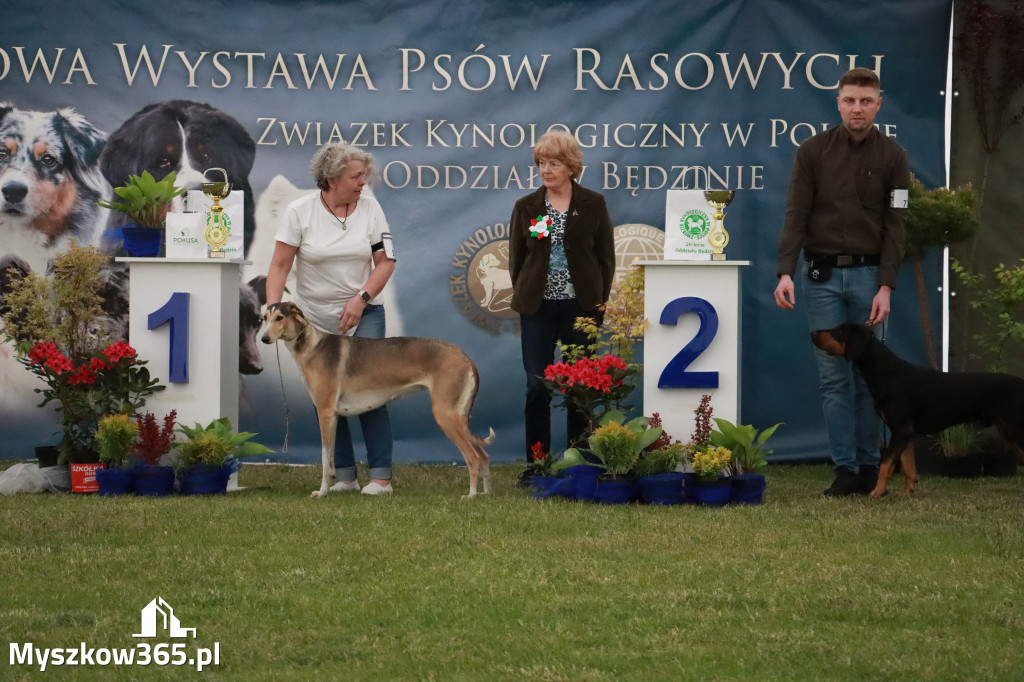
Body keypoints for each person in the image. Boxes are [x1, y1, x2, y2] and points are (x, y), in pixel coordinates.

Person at [774, 67, 909, 497]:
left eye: (866, 101)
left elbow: (897, 222)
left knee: (872, 379)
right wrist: (784, 272)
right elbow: (796, 213)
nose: (857, 108)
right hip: (822, 277)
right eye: (850, 100)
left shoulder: (894, 156)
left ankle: (871, 467)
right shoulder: (812, 151)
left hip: (872, 278)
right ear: (838, 102)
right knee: (833, 378)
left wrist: (887, 285)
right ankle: (845, 469)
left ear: (878, 104)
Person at [266, 142, 397, 495]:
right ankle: (344, 476)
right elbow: (279, 265)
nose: (363, 182)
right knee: (324, 397)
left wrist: (361, 298)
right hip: (316, 321)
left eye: (364, 175)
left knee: (371, 388)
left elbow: (385, 262)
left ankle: (381, 477)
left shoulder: (370, 208)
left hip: (364, 312)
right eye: (356, 176)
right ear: (332, 178)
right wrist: (272, 309)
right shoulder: (300, 211)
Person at [509, 129, 616, 481]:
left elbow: (605, 259)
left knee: (579, 386)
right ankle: (537, 464)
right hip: (538, 309)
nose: (545, 170)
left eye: (553, 163)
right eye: (541, 163)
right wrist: (526, 297)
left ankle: (580, 462)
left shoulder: (593, 203)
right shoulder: (527, 206)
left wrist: (597, 307)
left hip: (580, 308)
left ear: (571, 166)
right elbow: (517, 260)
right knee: (537, 384)